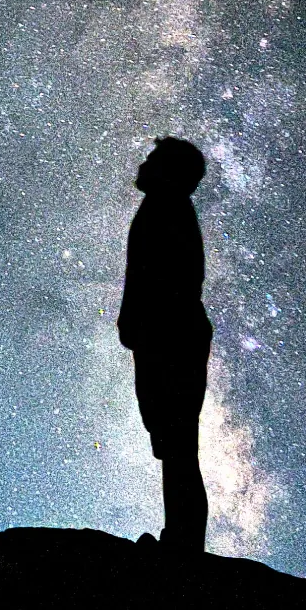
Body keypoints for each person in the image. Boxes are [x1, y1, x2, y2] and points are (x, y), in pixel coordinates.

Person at [117, 136, 212, 554]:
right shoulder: (164, 206)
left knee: (177, 445)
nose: (143, 163)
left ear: (170, 169)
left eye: (153, 158)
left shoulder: (168, 206)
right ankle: (181, 540)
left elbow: (166, 280)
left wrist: (140, 322)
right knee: (173, 443)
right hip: (168, 334)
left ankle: (184, 546)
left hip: (172, 335)